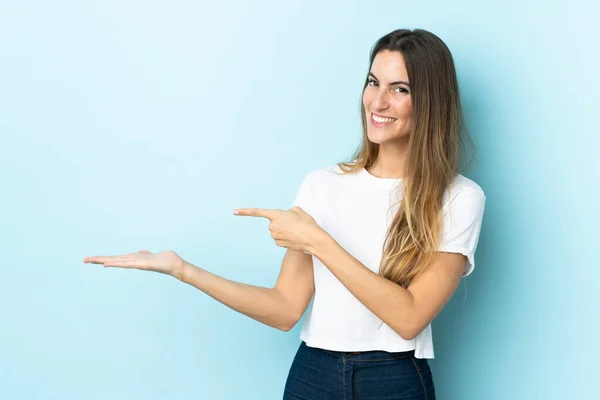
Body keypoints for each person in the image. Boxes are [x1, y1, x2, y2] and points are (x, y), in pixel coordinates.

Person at [84, 28, 486, 400]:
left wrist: (319, 242)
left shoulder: (459, 197)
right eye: (372, 82)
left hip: (394, 378)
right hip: (314, 372)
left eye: (400, 89)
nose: (378, 102)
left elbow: (409, 317)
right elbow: (284, 308)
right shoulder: (322, 184)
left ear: (431, 101)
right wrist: (181, 269)